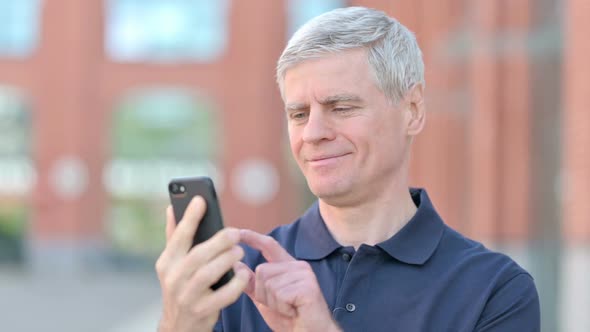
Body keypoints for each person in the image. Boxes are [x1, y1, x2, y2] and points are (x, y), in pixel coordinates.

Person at [155, 6, 540, 332]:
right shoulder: (240, 277)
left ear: (413, 111)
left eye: (341, 108)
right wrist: (177, 323)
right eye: (299, 114)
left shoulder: (494, 290)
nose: (313, 133)